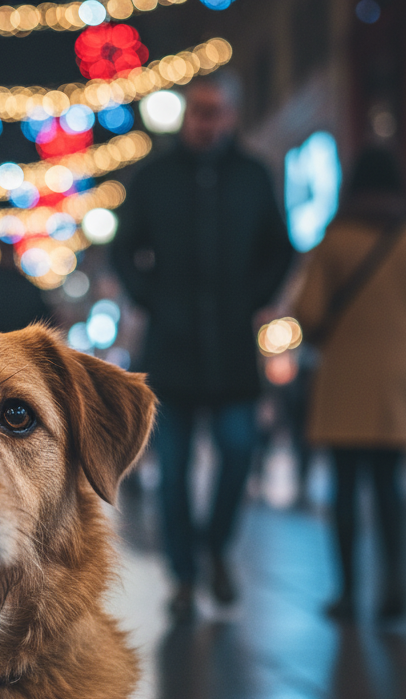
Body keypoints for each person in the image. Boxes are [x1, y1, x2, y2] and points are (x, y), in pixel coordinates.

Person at [111, 74, 294, 619]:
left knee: (239, 451)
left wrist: (253, 299)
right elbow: (126, 251)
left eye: (216, 112)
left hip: (233, 350)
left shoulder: (253, 177)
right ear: (187, 116)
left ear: (231, 116)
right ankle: (185, 573)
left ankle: (215, 547)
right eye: (198, 112)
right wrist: (153, 300)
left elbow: (278, 250)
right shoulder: (155, 179)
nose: (206, 122)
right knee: (173, 468)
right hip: (173, 350)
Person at [295, 147, 406, 621]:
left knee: (344, 490)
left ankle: (347, 593)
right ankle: (394, 586)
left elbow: (309, 312)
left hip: (344, 384)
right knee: (389, 490)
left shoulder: (334, 240)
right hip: (396, 387)